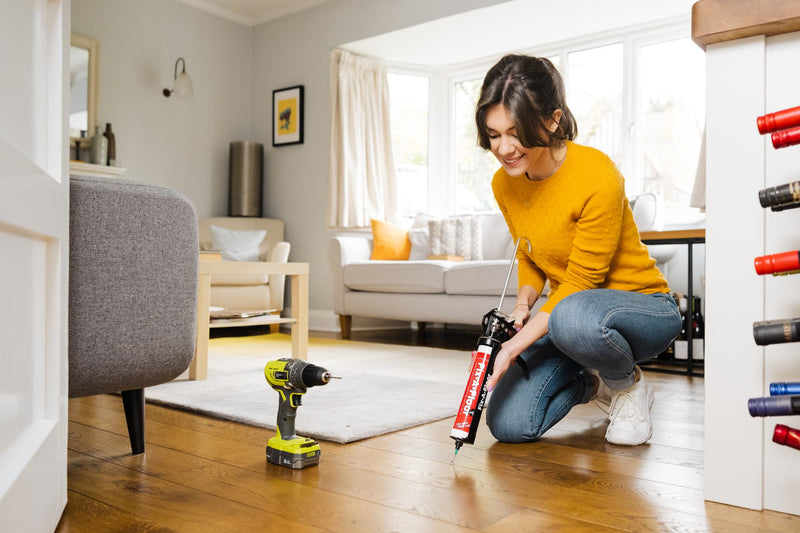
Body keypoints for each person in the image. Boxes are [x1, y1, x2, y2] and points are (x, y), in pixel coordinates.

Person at [476, 54, 682, 446]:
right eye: (494, 133)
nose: (503, 148)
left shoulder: (597, 175)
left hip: (643, 308)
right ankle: (593, 382)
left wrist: (514, 347)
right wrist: (522, 307)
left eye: (515, 132)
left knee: (570, 315)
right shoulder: (504, 183)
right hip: (574, 319)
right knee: (508, 424)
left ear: (553, 120)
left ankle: (628, 385)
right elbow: (528, 251)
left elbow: (582, 281)